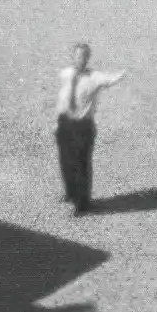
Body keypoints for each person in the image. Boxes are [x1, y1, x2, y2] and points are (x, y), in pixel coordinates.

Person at [54, 45, 125, 215]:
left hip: (82, 126)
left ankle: (82, 204)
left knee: (81, 165)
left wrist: (127, 72)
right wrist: (57, 122)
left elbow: (111, 79)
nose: (80, 59)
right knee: (65, 161)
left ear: (88, 59)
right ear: (73, 57)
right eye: (77, 56)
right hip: (65, 123)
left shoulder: (95, 77)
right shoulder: (66, 74)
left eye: (84, 57)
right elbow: (63, 99)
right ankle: (70, 193)